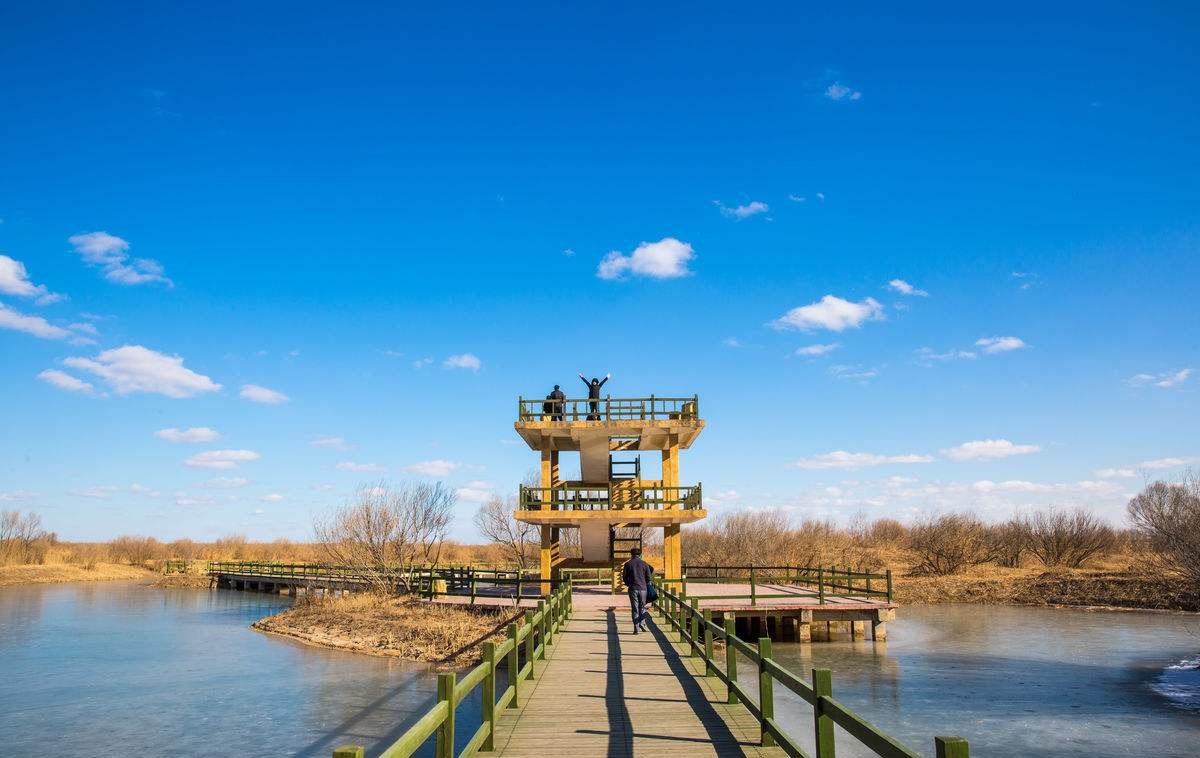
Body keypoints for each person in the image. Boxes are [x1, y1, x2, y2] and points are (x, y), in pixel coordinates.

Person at [622, 547, 654, 633]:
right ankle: (642, 624)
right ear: (640, 555)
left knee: (635, 608)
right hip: (643, 588)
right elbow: (648, 577)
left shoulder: (628, 564)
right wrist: (645, 582)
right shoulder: (644, 564)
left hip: (633, 589)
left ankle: (636, 628)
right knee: (642, 607)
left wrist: (629, 584)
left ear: (631, 554)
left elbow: (624, 578)